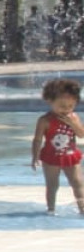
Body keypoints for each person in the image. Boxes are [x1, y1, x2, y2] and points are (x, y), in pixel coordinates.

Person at [31, 77, 84, 215]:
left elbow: (81, 134)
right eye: (61, 106)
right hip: (51, 158)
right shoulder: (45, 120)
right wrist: (35, 156)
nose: (66, 110)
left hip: (70, 156)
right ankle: (51, 210)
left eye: (70, 106)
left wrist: (73, 124)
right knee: (52, 185)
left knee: (78, 183)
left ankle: (83, 208)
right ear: (50, 100)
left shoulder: (73, 117)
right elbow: (37, 140)